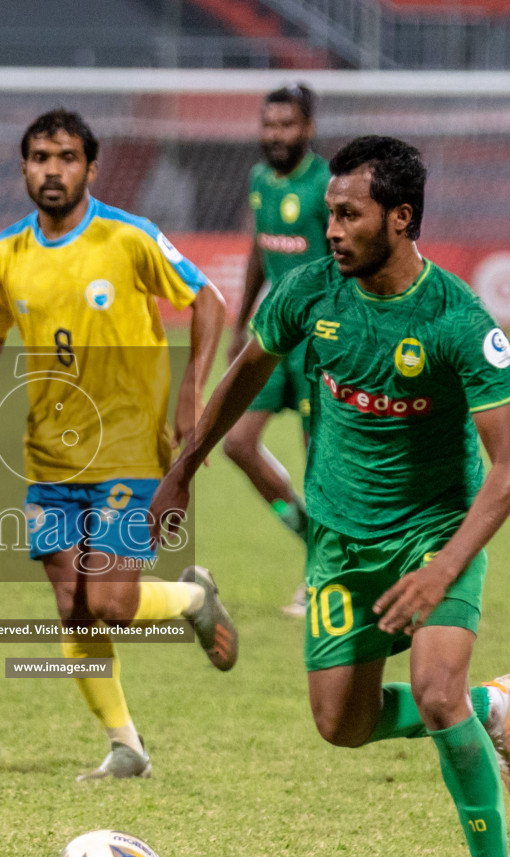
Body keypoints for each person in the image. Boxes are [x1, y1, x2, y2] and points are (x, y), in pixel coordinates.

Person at [150, 136, 510, 857]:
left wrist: (446, 569)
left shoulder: (456, 320)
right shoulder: (311, 293)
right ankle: (491, 705)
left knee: (431, 694)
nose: (331, 229)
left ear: (400, 219)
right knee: (341, 724)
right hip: (339, 537)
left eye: (348, 215)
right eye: (330, 213)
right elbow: (250, 369)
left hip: (433, 532)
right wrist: (185, 466)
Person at [0, 109, 236, 782]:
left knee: (111, 603)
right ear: (24, 168)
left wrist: (193, 391)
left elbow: (209, 302)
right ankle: (126, 745)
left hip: (129, 446)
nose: (52, 169)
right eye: (40, 157)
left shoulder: (128, 238)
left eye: (66, 157)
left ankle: (191, 599)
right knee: (72, 604)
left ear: (91, 169)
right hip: (49, 457)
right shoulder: (6, 254)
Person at [223, 85, 330, 617]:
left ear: (308, 128)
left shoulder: (329, 185)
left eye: (287, 125)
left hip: (320, 342)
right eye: (269, 125)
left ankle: (323, 576)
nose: (276, 135)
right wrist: (239, 322)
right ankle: (313, 539)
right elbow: (258, 250)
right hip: (272, 335)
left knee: (320, 465)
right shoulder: (259, 180)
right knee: (237, 443)